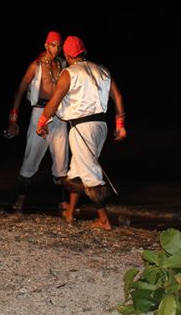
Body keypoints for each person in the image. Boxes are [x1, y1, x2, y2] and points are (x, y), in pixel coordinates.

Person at [36, 35, 126, 230]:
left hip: (81, 128)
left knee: (90, 174)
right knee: (77, 170)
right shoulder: (102, 70)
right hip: (101, 126)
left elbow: (54, 102)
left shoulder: (70, 73)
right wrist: (120, 124)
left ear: (68, 55)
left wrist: (42, 121)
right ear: (84, 51)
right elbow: (117, 96)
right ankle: (69, 213)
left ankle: (104, 221)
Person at [4, 31, 69, 211]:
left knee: (61, 160)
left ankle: (62, 202)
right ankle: (20, 200)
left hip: (59, 115)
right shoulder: (36, 65)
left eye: (59, 45)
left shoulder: (62, 64)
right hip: (39, 113)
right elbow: (20, 91)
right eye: (53, 44)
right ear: (46, 45)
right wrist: (13, 120)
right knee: (31, 157)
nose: (57, 48)